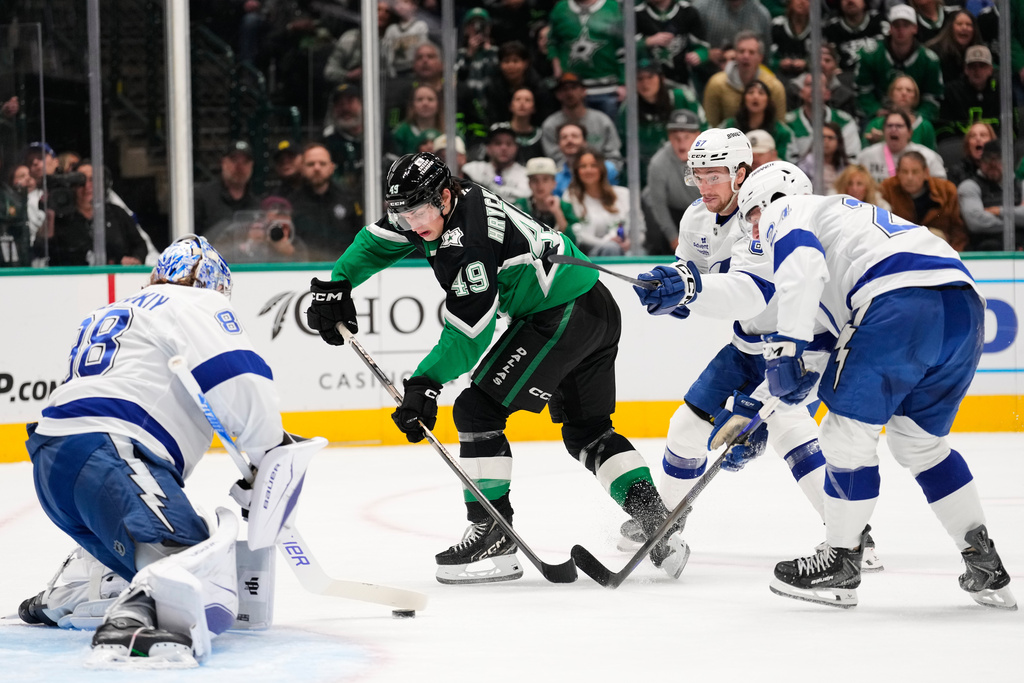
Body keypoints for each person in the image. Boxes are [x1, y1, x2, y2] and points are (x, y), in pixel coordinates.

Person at [304, 152, 688, 584]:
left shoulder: (466, 244)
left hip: (560, 317)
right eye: (404, 212)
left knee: (475, 411)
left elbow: (470, 333)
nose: (413, 224)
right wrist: (339, 282)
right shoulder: (440, 202)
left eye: (420, 211)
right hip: (593, 307)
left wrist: (425, 384)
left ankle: (492, 532)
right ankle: (659, 522)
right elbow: (379, 239)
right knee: (589, 432)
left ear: (444, 196)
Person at [20, 235, 324, 662]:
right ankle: (131, 620)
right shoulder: (196, 303)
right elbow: (241, 380)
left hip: (54, 464)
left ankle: (78, 589)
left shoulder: (114, 311)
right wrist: (268, 455)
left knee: (153, 541)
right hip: (112, 451)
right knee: (195, 567)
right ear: (215, 286)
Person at [739, 162, 1016, 611]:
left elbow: (803, 276)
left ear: (765, 200)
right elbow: (834, 343)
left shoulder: (786, 210)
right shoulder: (844, 226)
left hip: (900, 299)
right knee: (920, 445)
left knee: (845, 434)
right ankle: (982, 558)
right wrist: (764, 406)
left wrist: (787, 350)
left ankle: (840, 562)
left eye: (750, 216)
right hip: (963, 306)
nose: (753, 230)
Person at [627, 146, 882, 572]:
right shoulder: (701, 217)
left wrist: (690, 288)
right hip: (744, 347)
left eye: (715, 176)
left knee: (789, 427)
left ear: (740, 174)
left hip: (794, 347)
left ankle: (852, 536)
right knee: (684, 426)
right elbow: (692, 276)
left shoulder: (772, 213)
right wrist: (670, 290)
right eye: (698, 176)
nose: (705, 186)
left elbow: (749, 290)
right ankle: (666, 523)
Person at [34, 160, 147, 266]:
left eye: (93, 180)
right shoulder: (62, 218)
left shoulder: (116, 213)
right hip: (73, 281)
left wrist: (135, 259)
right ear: (72, 186)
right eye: (80, 181)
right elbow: (40, 250)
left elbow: (140, 245)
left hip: (115, 279)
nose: (87, 186)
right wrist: (50, 211)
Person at [619, 59, 706, 185]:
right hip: (645, 171)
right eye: (640, 79)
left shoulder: (682, 97)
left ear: (661, 78)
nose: (645, 83)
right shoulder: (628, 108)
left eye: (650, 77)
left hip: (685, 166)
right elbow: (624, 147)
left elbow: (704, 131)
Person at [854, 4, 944, 121]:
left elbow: (933, 98)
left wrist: (918, 116)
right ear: (890, 28)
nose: (900, 30)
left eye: (906, 25)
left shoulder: (929, 60)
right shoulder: (870, 55)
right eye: (896, 25)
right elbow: (862, 91)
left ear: (915, 28)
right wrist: (876, 110)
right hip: (878, 117)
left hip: (916, 118)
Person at [547, 0, 626, 120]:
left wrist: (624, 83)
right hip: (572, 91)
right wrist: (556, 65)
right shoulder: (561, 9)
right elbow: (552, 42)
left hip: (609, 88)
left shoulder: (612, 7)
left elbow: (623, 47)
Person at [641, 108, 704, 255]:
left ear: (698, 136)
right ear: (669, 137)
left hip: (705, 208)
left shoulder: (709, 158)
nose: (681, 143)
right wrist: (673, 239)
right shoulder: (658, 163)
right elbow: (659, 205)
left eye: (687, 137)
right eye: (676, 138)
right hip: (673, 210)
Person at [287, 142, 362, 261]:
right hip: (304, 271)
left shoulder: (349, 199)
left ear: (331, 167)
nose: (317, 168)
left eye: (322, 163)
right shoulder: (291, 204)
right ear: (302, 168)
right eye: (311, 164)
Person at [880, 151, 968, 250]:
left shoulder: (946, 191)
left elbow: (958, 231)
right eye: (904, 172)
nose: (909, 177)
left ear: (926, 173)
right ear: (897, 173)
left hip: (940, 251)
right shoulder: (887, 189)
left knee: (936, 234)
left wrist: (954, 257)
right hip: (900, 250)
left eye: (915, 172)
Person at [701, 31, 788, 127]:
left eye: (751, 52)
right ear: (735, 54)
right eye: (741, 51)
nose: (746, 56)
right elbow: (710, 125)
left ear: (760, 57)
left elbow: (780, 127)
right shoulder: (716, 84)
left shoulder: (774, 86)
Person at [565, 148, 642, 256]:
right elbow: (577, 235)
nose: (588, 170)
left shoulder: (624, 194)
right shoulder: (570, 197)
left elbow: (640, 229)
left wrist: (631, 243)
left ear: (601, 169)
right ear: (577, 171)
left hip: (627, 252)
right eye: (583, 166)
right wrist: (607, 243)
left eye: (593, 165)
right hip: (587, 256)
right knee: (610, 248)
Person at [541, 73, 623, 169]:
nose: (569, 93)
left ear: (584, 91)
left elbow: (614, 157)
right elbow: (553, 160)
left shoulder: (602, 121)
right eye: (564, 89)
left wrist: (599, 173)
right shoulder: (550, 125)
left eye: (574, 88)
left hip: (602, 176)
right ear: (558, 95)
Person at [957, 140, 1024, 251]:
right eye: (987, 159)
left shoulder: (1021, 185)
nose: (992, 164)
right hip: (986, 247)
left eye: (998, 159)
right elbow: (975, 222)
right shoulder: (969, 186)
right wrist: (1017, 220)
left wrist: (999, 211)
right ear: (981, 162)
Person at [855, 109, 946, 184]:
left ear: (910, 133)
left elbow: (942, 185)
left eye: (899, 126)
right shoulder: (866, 156)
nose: (893, 129)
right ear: (883, 131)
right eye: (889, 126)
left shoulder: (928, 157)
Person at [634, 0, 710, 90]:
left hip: (682, 80)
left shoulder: (687, 11)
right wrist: (647, 42)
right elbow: (624, 50)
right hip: (648, 84)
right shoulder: (636, 14)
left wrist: (698, 55)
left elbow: (703, 48)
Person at [786, 72, 861, 161]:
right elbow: (788, 161)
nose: (813, 89)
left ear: (828, 94)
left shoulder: (844, 121)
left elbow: (853, 157)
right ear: (801, 92)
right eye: (809, 85)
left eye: (819, 85)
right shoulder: (788, 122)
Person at [936, 46, 1003, 144]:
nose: (977, 71)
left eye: (982, 66)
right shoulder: (951, 91)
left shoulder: (1001, 91)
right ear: (965, 69)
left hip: (994, 148)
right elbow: (943, 127)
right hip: (958, 148)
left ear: (990, 69)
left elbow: (1012, 127)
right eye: (972, 66)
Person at [193, 140, 261, 236]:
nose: (239, 167)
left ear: (252, 166)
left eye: (245, 162)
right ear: (223, 163)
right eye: (234, 160)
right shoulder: (202, 197)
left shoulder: (256, 206)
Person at [720, 79, 796, 162]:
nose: (755, 96)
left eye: (761, 93)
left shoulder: (782, 132)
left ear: (768, 100)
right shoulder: (728, 128)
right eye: (750, 92)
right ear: (744, 99)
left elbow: (788, 163)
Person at [513, 156, 579, 245]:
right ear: (529, 184)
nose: (540, 185)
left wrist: (557, 213)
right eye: (535, 180)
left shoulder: (565, 207)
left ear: (554, 183)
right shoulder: (519, 206)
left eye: (545, 179)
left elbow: (573, 242)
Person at [861, 75, 937, 149]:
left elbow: (933, 157)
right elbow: (863, 154)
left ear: (915, 97)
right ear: (891, 94)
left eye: (909, 90)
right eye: (899, 89)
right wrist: (873, 143)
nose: (904, 93)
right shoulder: (876, 123)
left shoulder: (925, 127)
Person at [462, 122, 531, 203]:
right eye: (498, 143)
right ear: (488, 147)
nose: (504, 148)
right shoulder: (471, 170)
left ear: (516, 147)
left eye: (509, 144)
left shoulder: (526, 175)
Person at [552, 122, 619, 196]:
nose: (569, 140)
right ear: (559, 144)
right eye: (564, 137)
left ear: (584, 142)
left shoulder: (607, 168)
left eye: (574, 136)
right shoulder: (556, 178)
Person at [925, 8, 981, 87]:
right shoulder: (935, 52)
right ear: (950, 28)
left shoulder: (981, 54)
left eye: (968, 25)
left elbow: (992, 83)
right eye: (959, 24)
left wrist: (993, 87)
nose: (964, 28)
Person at [391, 84, 444, 156]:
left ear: (438, 104)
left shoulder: (450, 131)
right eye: (420, 99)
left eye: (430, 99)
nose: (425, 103)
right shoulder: (401, 132)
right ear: (412, 105)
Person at [797, 121, 848, 192]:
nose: (826, 141)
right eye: (822, 137)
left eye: (830, 138)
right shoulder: (805, 165)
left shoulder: (844, 166)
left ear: (838, 141)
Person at [946, 121, 996, 187]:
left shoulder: (1000, 170)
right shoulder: (956, 173)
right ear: (968, 145)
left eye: (983, 135)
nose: (978, 139)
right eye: (973, 136)